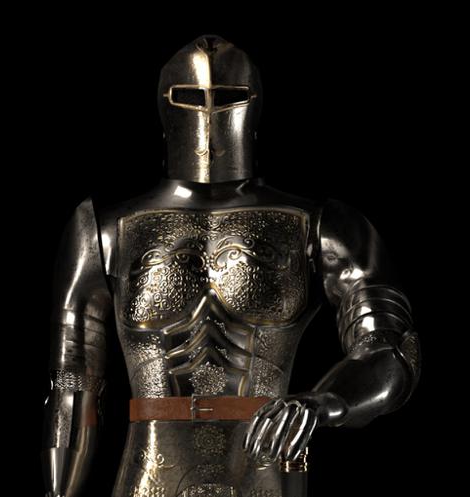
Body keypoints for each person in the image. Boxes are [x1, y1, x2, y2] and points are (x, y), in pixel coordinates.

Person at [42, 35, 420, 497]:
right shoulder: (104, 230)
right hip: (148, 479)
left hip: (266, 471)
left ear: (253, 104)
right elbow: (74, 381)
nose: (208, 112)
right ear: (165, 104)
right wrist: (60, 491)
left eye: (227, 97)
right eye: (191, 96)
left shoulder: (320, 227)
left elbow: (391, 350)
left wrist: (326, 401)